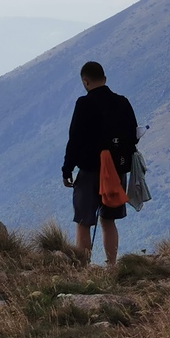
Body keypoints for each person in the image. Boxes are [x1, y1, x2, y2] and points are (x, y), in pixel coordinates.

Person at [61, 61, 138, 266]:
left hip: (89, 171)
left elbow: (74, 138)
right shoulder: (122, 102)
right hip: (116, 170)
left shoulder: (84, 104)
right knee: (108, 220)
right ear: (105, 79)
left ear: (85, 81)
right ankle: (111, 266)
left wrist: (67, 169)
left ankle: (83, 267)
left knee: (84, 221)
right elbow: (133, 135)